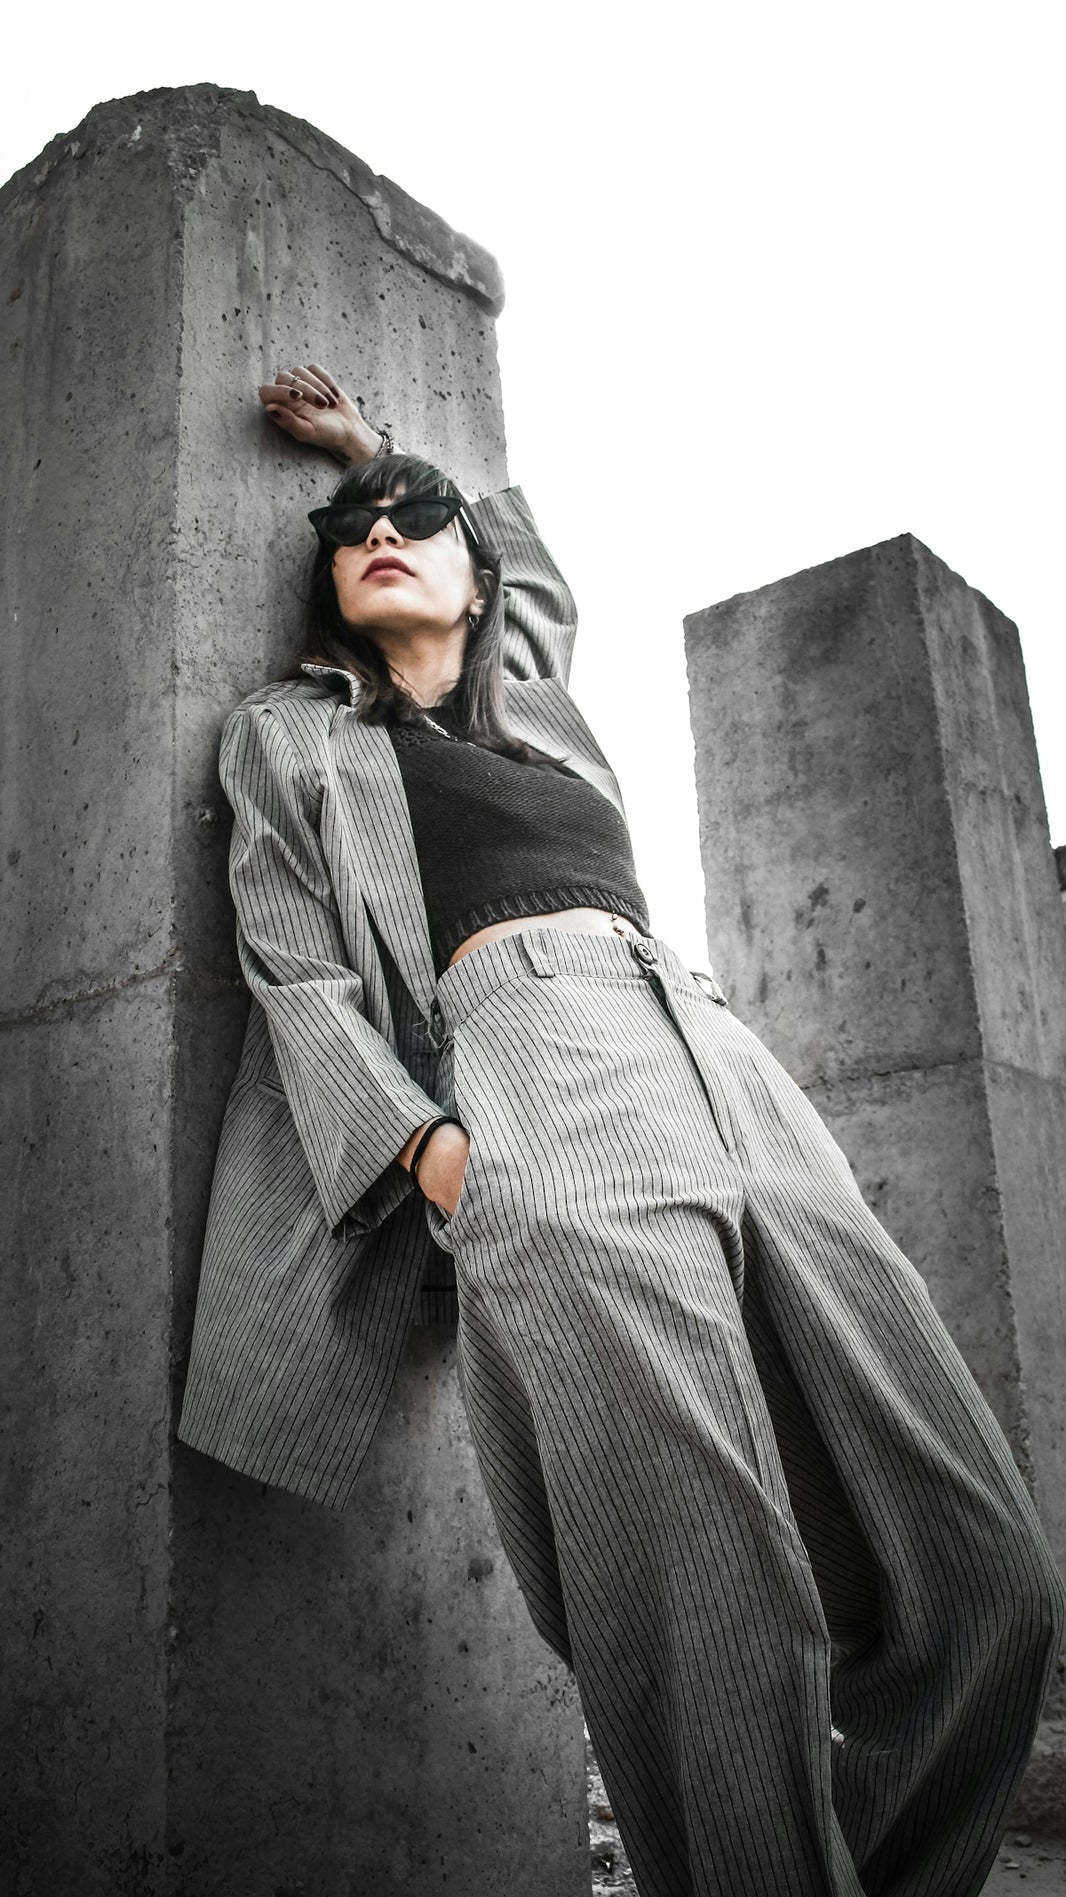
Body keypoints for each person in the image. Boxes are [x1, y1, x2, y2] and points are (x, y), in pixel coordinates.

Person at [178, 362, 1064, 1897]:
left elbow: (531, 578)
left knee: (984, 1572)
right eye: (351, 528)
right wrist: (436, 1156)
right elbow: (295, 968)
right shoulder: (294, 735)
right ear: (325, 584)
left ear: (475, 572)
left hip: (720, 1054)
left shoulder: (537, 718)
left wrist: (384, 449)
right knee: (711, 1617)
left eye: (415, 521)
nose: (380, 530)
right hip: (533, 1068)